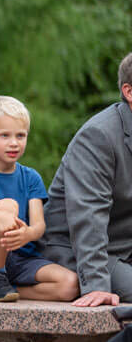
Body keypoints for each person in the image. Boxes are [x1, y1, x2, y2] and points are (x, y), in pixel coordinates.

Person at [0, 96, 78, 304]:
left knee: (70, 285)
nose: (14, 143)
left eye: (20, 135)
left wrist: (28, 233)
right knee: (6, 205)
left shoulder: (31, 178)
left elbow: (38, 225)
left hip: (22, 259)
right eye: (4, 135)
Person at [42, 53, 132, 308]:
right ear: (129, 92)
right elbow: (88, 216)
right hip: (79, 251)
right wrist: (97, 286)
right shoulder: (98, 136)